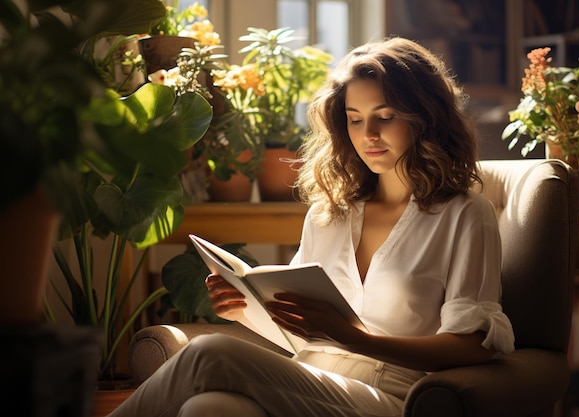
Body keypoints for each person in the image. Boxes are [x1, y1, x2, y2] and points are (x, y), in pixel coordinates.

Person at [108, 36, 515, 417]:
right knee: (208, 409)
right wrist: (246, 309)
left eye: (385, 117)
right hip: (310, 378)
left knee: (208, 353)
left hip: (391, 393)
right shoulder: (330, 213)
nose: (368, 135)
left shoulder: (465, 214)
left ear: (425, 118)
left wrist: (356, 339)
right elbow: (304, 333)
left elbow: (473, 346)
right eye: (355, 120)